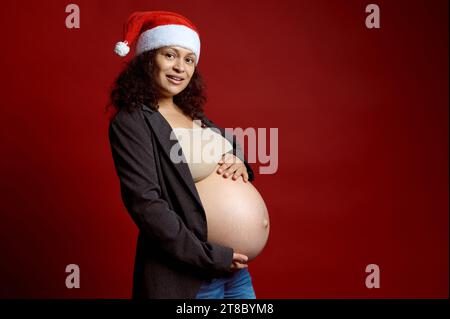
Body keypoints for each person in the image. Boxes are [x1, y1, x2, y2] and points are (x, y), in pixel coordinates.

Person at [107, 11, 257, 299]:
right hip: (188, 278)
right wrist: (210, 256)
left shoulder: (193, 115)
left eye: (188, 59)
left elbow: (230, 144)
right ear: (148, 58)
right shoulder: (132, 122)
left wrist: (239, 160)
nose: (180, 67)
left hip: (235, 273)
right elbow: (147, 205)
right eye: (170, 55)